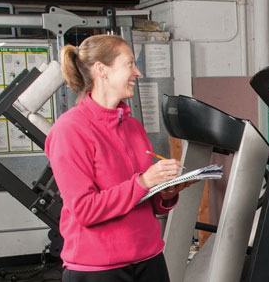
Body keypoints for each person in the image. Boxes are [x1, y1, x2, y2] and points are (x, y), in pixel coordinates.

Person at [45, 34, 188, 282]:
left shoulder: (132, 126)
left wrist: (165, 193)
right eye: (130, 64)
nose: (138, 73)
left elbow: (145, 200)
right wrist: (143, 182)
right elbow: (84, 210)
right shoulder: (70, 130)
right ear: (102, 70)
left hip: (149, 258)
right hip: (98, 269)